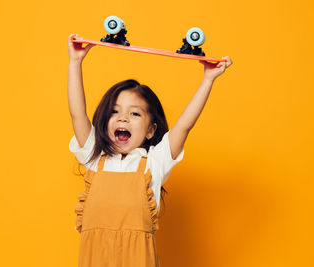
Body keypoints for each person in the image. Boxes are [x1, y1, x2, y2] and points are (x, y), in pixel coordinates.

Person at [67, 33, 232, 267]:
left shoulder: (155, 162)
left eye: (135, 114)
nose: (123, 117)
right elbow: (76, 113)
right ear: (104, 121)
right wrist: (75, 62)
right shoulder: (94, 156)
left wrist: (208, 79)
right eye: (115, 111)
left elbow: (184, 125)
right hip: (95, 258)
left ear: (150, 130)